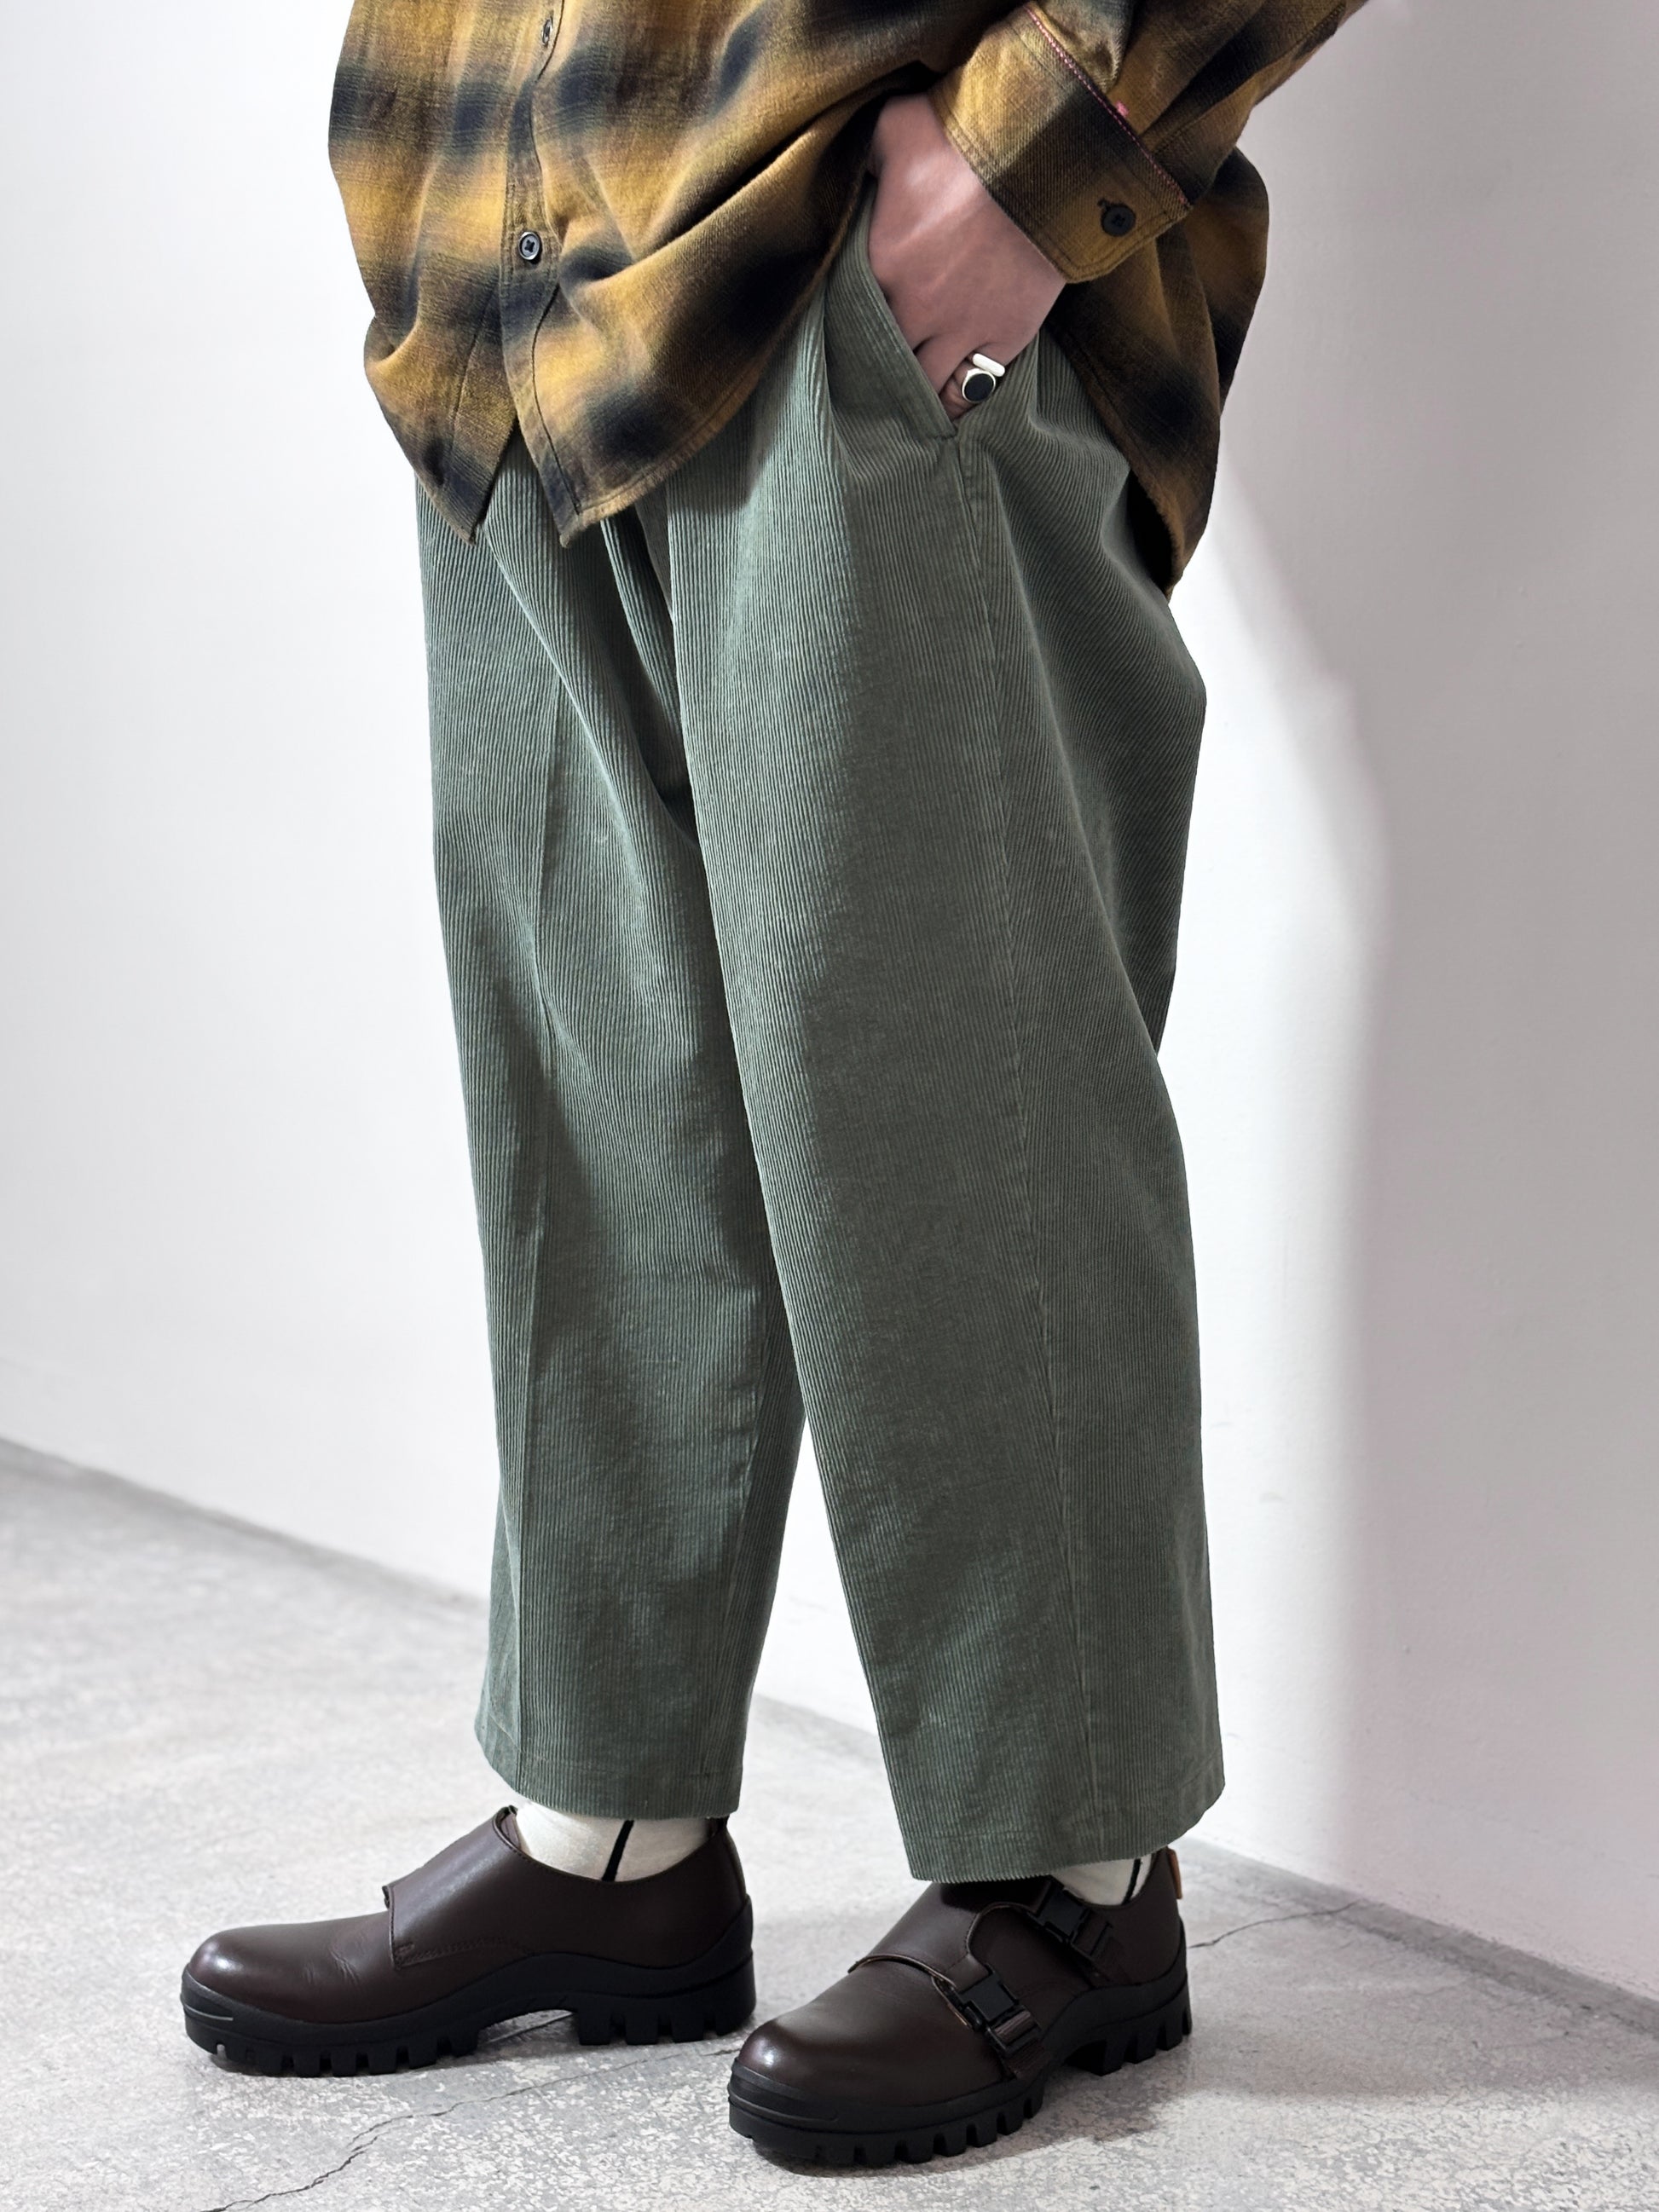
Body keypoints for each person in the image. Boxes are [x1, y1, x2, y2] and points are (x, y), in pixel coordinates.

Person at [180, 0, 1365, 2168]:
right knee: (596, 1095)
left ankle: (1077, 1873)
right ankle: (610, 1833)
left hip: (844, 245)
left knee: (956, 1075)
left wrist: (1032, 167)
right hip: (504, 272)